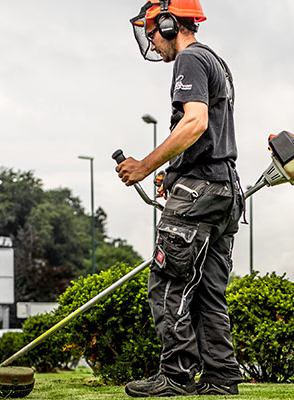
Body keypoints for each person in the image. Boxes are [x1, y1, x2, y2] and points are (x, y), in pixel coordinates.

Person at [117, 0, 243, 397]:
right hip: (224, 190)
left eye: (153, 32)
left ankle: (174, 375)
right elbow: (209, 136)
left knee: (168, 282)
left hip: (200, 192)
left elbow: (195, 122)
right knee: (208, 290)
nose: (152, 44)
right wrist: (173, 174)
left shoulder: (188, 60)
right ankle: (221, 379)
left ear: (170, 24)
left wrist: (144, 165)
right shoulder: (216, 62)